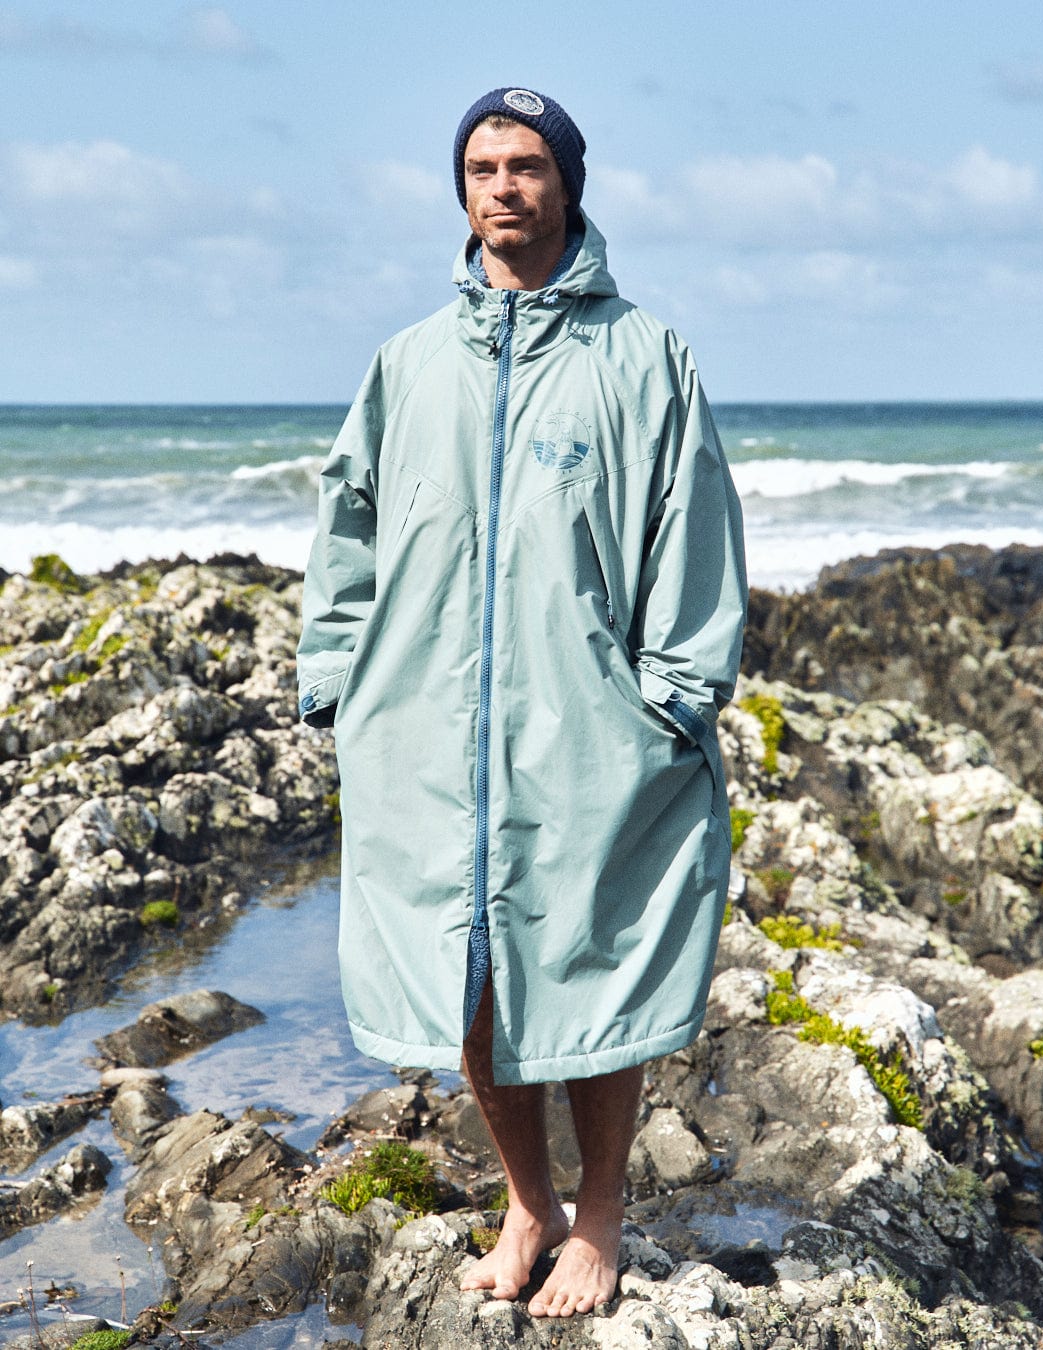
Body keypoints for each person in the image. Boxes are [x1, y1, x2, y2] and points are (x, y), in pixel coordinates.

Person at [297, 86, 747, 1318]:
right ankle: (527, 1201)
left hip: (589, 725)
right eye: (485, 165)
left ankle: (599, 1217)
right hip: (430, 727)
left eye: (529, 165)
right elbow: (347, 535)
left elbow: (693, 535)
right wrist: (335, 678)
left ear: (569, 186)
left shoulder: (643, 355)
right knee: (473, 970)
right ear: (461, 188)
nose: (505, 185)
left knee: (588, 967)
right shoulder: (406, 363)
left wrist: (673, 700)